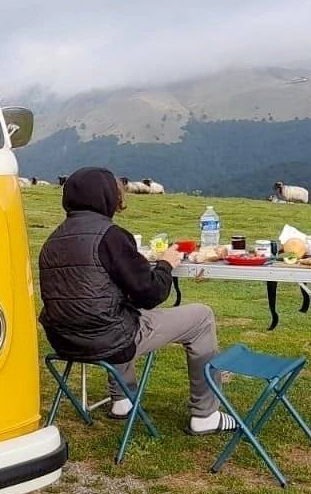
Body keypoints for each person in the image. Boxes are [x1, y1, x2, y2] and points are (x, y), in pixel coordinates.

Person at [37, 167, 237, 435]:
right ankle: (205, 414)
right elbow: (150, 294)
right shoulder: (110, 236)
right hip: (107, 339)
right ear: (107, 197)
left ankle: (122, 400)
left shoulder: (52, 240)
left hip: (64, 340)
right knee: (201, 316)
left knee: (111, 312)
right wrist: (165, 264)